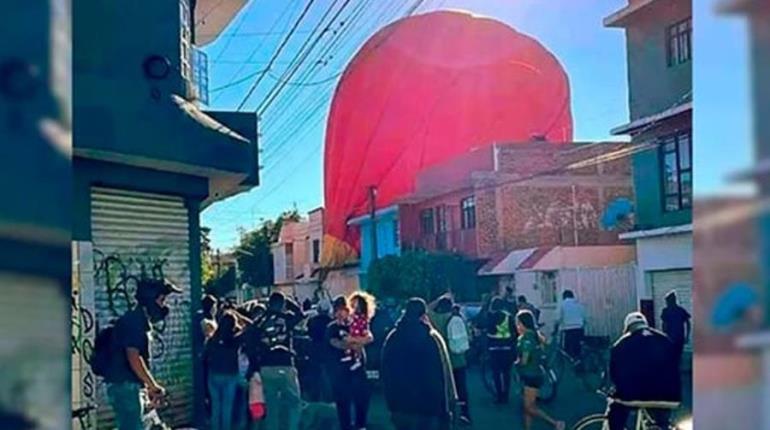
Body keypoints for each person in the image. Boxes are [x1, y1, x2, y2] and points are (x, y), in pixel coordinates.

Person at [103, 278, 181, 430]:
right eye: (162, 299)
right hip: (126, 388)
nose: (163, 305)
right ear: (151, 299)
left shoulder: (138, 320)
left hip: (128, 386)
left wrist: (147, 386)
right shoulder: (134, 322)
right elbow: (134, 357)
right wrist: (153, 385)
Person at [382, 298, 456, 430]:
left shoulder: (392, 338)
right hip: (429, 407)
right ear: (423, 316)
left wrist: (391, 404)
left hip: (401, 407)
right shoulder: (432, 338)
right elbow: (443, 375)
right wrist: (448, 407)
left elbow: (386, 373)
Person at [607, 312, 681, 430]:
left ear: (628, 328)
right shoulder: (665, 339)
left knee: (616, 412)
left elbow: (614, 373)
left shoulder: (621, 344)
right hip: (669, 396)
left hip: (634, 396)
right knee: (662, 420)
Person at [245, 292, 305, 430]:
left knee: (271, 404)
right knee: (293, 402)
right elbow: (301, 314)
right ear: (282, 304)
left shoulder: (260, 321)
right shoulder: (287, 318)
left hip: (266, 367)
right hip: (286, 364)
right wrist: (290, 302)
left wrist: (255, 368)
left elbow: (250, 343)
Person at [326, 295, 373, 430]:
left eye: (344, 309)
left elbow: (368, 337)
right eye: (338, 310)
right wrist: (353, 344)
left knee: (362, 400)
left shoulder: (355, 324)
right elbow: (336, 343)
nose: (341, 313)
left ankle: (361, 426)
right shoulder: (332, 328)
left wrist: (355, 341)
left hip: (358, 371)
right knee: (343, 405)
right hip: (341, 373)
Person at [515, 310, 565, 430]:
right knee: (528, 406)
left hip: (529, 375)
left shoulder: (525, 339)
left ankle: (555, 423)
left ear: (522, 324)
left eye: (518, 323)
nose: (517, 326)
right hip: (538, 373)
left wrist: (517, 363)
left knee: (529, 408)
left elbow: (524, 360)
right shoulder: (537, 335)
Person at [428, 295, 471, 425]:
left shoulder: (435, 319)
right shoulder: (457, 319)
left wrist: (438, 298)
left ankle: (447, 414)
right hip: (459, 360)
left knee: (445, 389)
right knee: (461, 388)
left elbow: (427, 308)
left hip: (443, 361)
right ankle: (465, 413)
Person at [204, 311, 245, 430]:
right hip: (230, 374)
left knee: (216, 407)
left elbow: (206, 357)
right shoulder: (235, 340)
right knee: (227, 407)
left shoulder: (212, 340)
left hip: (214, 375)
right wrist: (238, 314)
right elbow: (251, 327)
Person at [486, 297, 516, 404]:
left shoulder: (490, 316)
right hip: (507, 348)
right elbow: (514, 332)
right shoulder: (509, 316)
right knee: (506, 373)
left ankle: (499, 396)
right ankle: (506, 395)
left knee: (496, 374)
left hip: (494, 349)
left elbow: (487, 331)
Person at [306, 299, 334, 402]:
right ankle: (329, 398)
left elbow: (308, 333)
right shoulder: (331, 322)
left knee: (315, 376)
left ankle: (314, 397)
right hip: (328, 351)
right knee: (328, 376)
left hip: (314, 351)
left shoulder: (312, 321)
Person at [660, 291, 691, 367]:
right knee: (677, 357)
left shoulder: (666, 311)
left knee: (671, 358)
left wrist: (663, 336)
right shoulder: (680, 310)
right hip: (678, 337)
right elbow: (688, 323)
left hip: (670, 338)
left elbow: (663, 325)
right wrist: (687, 336)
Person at [348, 291, 376, 371]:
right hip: (353, 333)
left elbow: (366, 332)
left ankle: (358, 360)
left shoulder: (363, 318)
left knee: (358, 347)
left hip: (359, 333)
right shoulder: (351, 316)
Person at [555, 290, 586, 361]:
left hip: (569, 330)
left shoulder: (563, 304)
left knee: (568, 350)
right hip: (579, 329)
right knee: (578, 349)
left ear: (564, 297)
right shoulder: (579, 304)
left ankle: (570, 364)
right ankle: (579, 363)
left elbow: (558, 319)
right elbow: (584, 318)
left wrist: (555, 328)